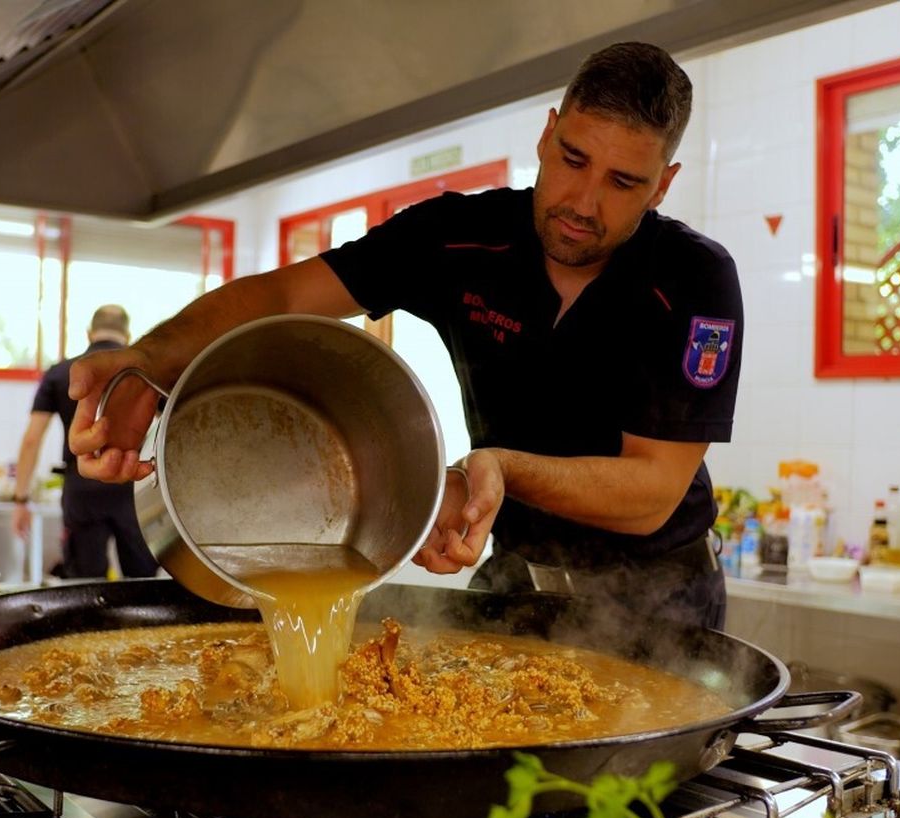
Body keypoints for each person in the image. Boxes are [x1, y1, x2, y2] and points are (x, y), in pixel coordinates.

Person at [67, 43, 741, 628]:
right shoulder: (457, 237)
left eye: (624, 182)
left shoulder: (692, 281)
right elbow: (282, 296)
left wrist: (500, 469)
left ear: (663, 186)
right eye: (572, 159)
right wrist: (149, 359)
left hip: (661, 604)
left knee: (639, 783)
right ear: (547, 133)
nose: (583, 203)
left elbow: (651, 494)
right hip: (517, 583)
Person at [12, 304, 159, 578]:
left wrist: (21, 499)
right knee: (143, 583)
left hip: (82, 488)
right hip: (133, 485)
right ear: (127, 335)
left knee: (85, 583)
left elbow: (32, 440)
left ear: (89, 333)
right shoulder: (144, 373)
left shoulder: (61, 373)